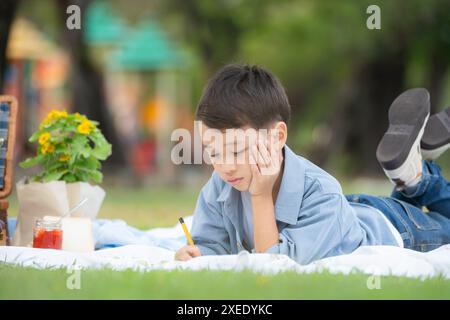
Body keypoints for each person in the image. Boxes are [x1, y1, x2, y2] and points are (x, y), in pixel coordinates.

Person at [175, 64, 450, 264]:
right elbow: (212, 244)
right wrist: (199, 253)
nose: (225, 167)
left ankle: (418, 180)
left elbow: (275, 266)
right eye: (213, 152)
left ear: (277, 136)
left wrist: (260, 196)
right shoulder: (220, 188)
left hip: (394, 226)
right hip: (347, 211)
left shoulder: (322, 192)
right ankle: (412, 174)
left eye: (235, 151)